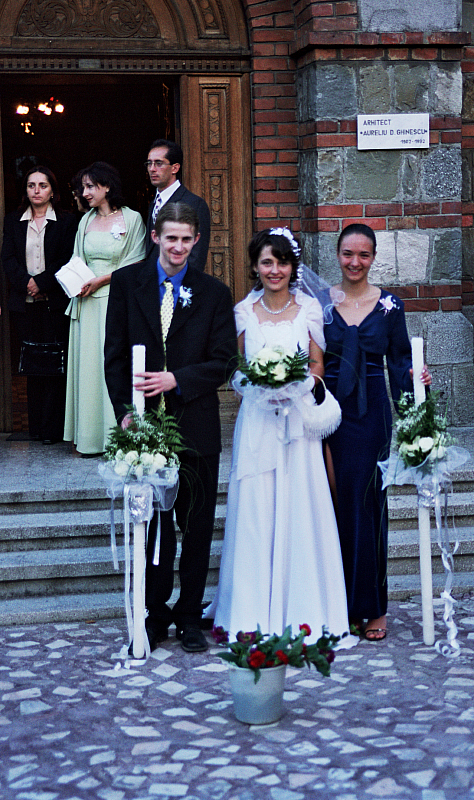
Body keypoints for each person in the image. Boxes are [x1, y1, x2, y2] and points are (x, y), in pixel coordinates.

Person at [104, 202, 237, 653]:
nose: (178, 246)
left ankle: (189, 616)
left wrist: (177, 379)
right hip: (146, 431)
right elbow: (115, 355)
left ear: (196, 241)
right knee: (154, 527)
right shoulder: (127, 283)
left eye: (187, 239)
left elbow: (223, 361)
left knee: (196, 529)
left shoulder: (215, 293)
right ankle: (155, 614)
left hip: (196, 427)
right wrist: (126, 410)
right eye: (171, 238)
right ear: (156, 237)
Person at [205, 228, 350, 638]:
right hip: (257, 421)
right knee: (256, 510)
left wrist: (298, 384)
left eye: (282, 262)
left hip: (297, 425)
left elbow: (318, 364)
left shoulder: (308, 309)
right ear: (254, 265)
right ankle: (250, 612)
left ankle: (303, 609)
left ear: (293, 267)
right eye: (266, 262)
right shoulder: (243, 312)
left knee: (299, 506)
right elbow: (233, 367)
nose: (275, 270)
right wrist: (254, 386)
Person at [323, 223, 431, 641]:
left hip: (371, 419)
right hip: (327, 415)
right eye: (348, 254)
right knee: (331, 507)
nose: (355, 262)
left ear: (373, 257)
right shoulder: (320, 304)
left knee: (369, 508)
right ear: (338, 254)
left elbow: (401, 362)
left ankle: (373, 607)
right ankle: (339, 603)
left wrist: (416, 384)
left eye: (363, 255)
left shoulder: (390, 307)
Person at [63, 162, 145, 456]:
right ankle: (90, 438)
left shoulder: (132, 219)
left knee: (114, 366)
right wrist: (78, 281)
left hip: (117, 300)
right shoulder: (84, 221)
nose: (84, 193)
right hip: (87, 302)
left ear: (107, 186)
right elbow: (77, 257)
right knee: (90, 369)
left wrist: (104, 280)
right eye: (82, 187)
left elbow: (138, 261)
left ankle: (118, 437)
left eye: (90, 186)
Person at [1, 166, 77, 443]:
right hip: (25, 304)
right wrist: (27, 284)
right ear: (26, 191)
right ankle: (34, 429)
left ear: (52, 191)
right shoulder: (13, 221)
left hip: (54, 303)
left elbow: (68, 259)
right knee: (32, 368)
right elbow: (8, 259)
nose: (36, 190)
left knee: (56, 366)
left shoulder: (67, 222)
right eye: (31, 185)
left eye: (42, 185)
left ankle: (53, 430)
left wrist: (42, 282)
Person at [145, 139, 210, 271]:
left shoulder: (195, 204)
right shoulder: (153, 203)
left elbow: (196, 257)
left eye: (158, 163)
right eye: (149, 163)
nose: (152, 169)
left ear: (175, 168)